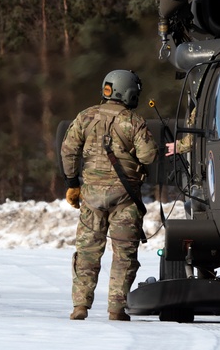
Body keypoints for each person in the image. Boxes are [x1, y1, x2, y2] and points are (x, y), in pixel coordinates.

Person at [61, 70, 158, 321]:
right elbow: (148, 156)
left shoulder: (85, 116)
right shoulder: (134, 121)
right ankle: (116, 308)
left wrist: (73, 183)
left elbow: (69, 150)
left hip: (91, 197)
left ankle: (80, 306)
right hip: (125, 199)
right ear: (128, 92)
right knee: (123, 254)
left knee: (87, 253)